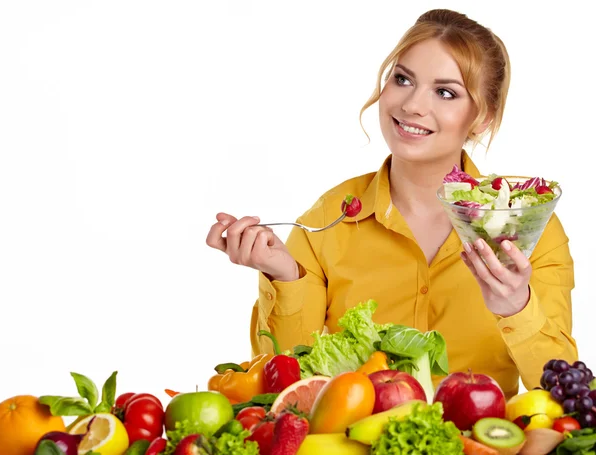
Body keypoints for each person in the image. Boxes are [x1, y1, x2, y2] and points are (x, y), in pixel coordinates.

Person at [205, 8, 578, 399]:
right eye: (403, 80)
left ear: (482, 117)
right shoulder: (326, 223)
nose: (412, 105)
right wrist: (284, 275)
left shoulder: (529, 228)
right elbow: (288, 391)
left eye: (445, 92)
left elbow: (564, 394)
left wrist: (516, 307)